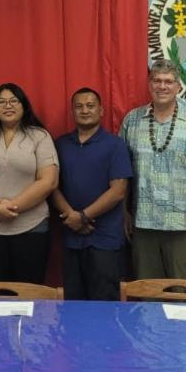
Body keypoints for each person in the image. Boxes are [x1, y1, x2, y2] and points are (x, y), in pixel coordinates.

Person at [121, 59, 186, 281]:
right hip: (143, 224)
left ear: (179, 87)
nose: (162, 86)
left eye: (168, 81)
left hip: (184, 226)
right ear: (149, 85)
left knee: (185, 294)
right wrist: (124, 212)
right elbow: (122, 174)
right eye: (157, 80)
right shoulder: (132, 120)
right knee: (147, 294)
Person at [0, 83, 59, 284]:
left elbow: (48, 181)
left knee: (29, 294)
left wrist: (11, 206)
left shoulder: (39, 136)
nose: (8, 106)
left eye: (13, 101)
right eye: (1, 102)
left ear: (24, 105)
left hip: (31, 227)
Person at [50, 87, 132, 300]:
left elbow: (118, 191)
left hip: (105, 239)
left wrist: (84, 216)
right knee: (73, 305)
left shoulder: (115, 145)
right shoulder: (60, 145)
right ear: (72, 112)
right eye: (79, 106)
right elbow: (52, 186)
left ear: (101, 110)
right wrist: (72, 216)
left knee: (104, 304)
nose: (84, 110)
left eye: (90, 105)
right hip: (71, 237)